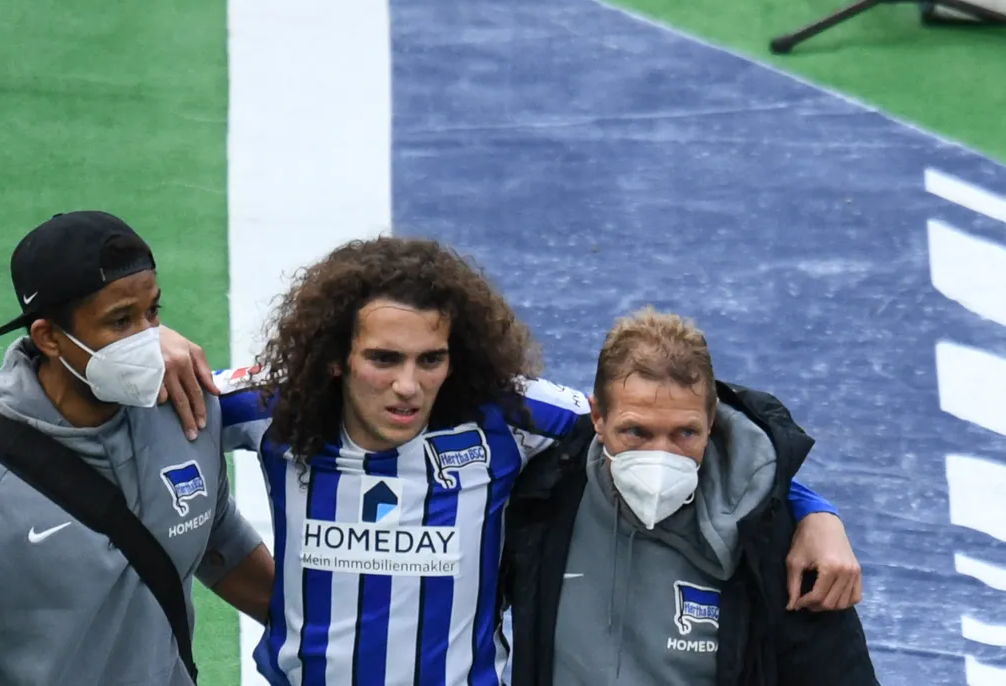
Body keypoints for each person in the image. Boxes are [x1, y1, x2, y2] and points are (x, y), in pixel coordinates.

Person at [202, 236, 860, 686]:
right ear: (337, 355)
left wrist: (814, 511)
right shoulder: (267, 408)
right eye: (383, 359)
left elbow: (671, 435)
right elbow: (143, 431)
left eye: (429, 359)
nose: (408, 384)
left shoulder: (508, 415)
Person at [0, 211, 275, 686]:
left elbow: (216, 537)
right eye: (120, 321)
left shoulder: (182, 410)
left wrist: (324, 637)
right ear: (49, 338)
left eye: (153, 313)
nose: (148, 340)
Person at [503, 307, 879, 686]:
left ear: (711, 422)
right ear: (598, 417)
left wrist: (814, 512)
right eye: (636, 432)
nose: (660, 456)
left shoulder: (774, 542)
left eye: (685, 433)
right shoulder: (539, 498)